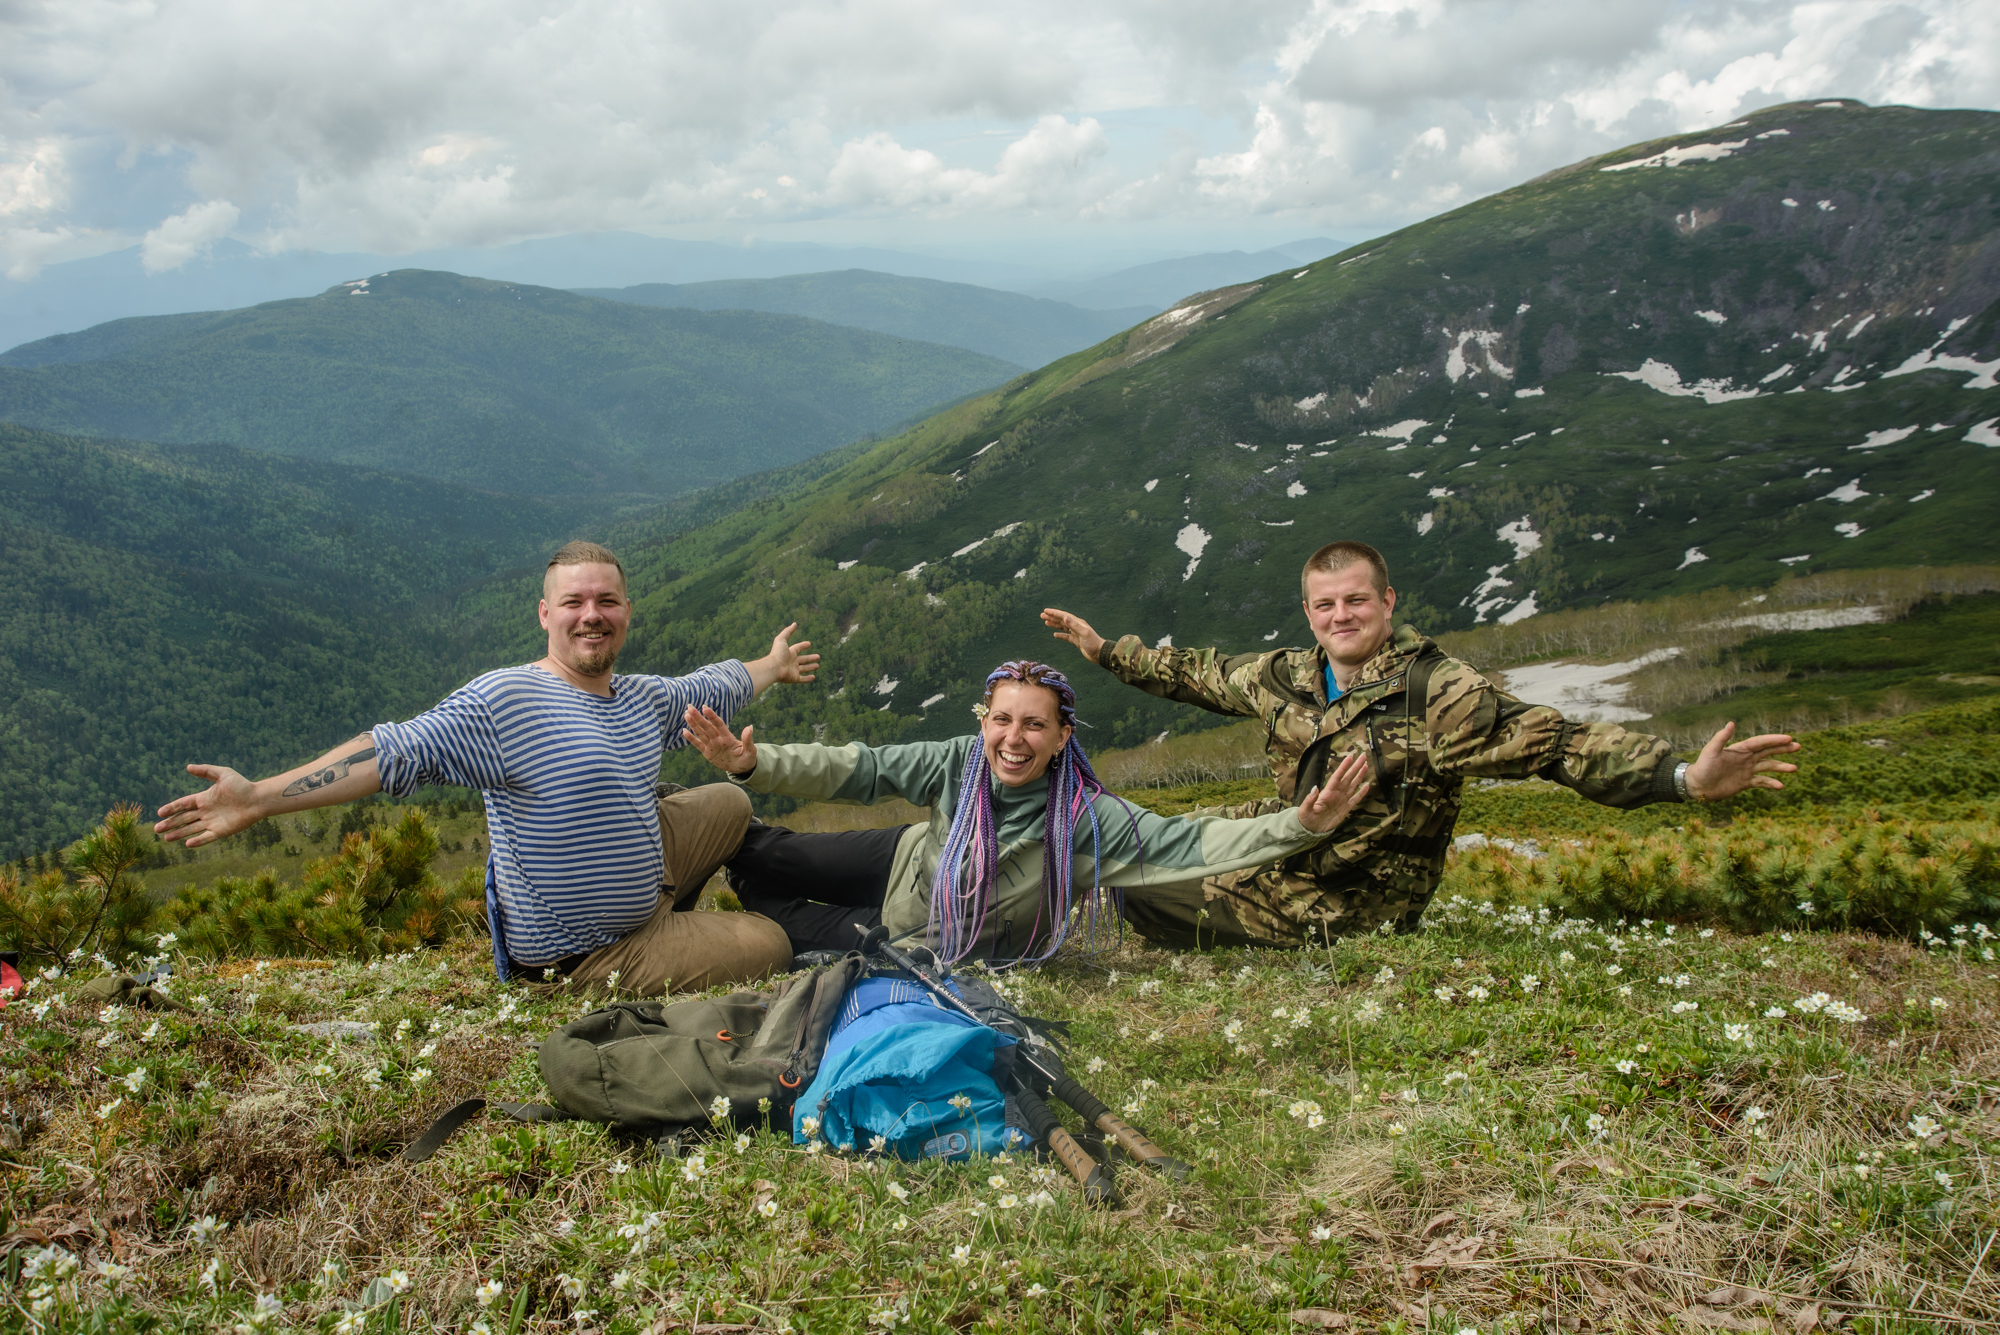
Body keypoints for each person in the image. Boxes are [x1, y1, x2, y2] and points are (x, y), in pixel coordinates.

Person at [1039, 539, 1802, 948]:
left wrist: (1677, 778)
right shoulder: (1284, 674)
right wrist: (1108, 652)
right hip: (1284, 840)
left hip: (1348, 901)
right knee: (1123, 834)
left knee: (1139, 884)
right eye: (1326, 604)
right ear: (1308, 612)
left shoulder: (1440, 690)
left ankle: (1061, 927)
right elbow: (1198, 673)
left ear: (1388, 602)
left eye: (1357, 601)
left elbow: (1555, 744)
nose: (1342, 616)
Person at [153, 540, 815, 994]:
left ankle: (665, 906)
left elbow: (714, 685)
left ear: (626, 612)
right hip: (585, 953)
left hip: (641, 878)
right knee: (770, 942)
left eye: (607, 602)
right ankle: (663, 935)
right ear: (545, 614)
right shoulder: (503, 703)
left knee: (730, 804)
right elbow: (392, 751)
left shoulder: (642, 697)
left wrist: (773, 667)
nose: (592, 616)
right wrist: (260, 797)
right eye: (575, 602)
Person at [680, 659, 1373, 964]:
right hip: (906, 855)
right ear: (984, 720)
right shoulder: (958, 758)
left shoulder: (1084, 821)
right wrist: (753, 764)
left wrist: (1300, 826)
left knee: (772, 917)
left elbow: (1191, 841)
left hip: (911, 929)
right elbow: (863, 767)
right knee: (759, 848)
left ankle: (706, 916)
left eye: (1034, 725)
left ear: (1063, 736)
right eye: (1002, 719)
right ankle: (669, 874)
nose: (1014, 739)